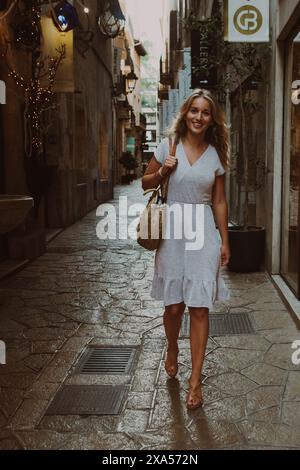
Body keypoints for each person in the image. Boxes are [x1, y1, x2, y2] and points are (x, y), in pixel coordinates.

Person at [141, 89, 230, 410]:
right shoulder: (168, 145)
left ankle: (196, 381)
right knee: (174, 307)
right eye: (194, 110)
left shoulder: (214, 155)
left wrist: (224, 241)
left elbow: (219, 201)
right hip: (173, 230)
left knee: (200, 307)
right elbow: (144, 182)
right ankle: (172, 347)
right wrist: (164, 170)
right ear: (185, 113)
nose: (199, 117)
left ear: (211, 119)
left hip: (203, 231)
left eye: (205, 112)